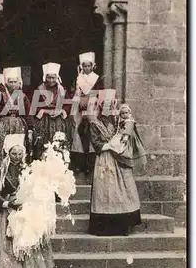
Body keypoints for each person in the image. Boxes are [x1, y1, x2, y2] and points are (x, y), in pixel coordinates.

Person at [0, 134, 54, 268]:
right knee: (9, 247)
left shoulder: (28, 169)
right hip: (8, 212)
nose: (17, 157)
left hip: (26, 211)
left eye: (20, 154)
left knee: (27, 245)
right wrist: (8, 203)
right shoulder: (2, 172)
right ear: (8, 154)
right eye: (14, 154)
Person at [87, 98, 146, 236]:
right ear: (100, 107)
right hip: (105, 158)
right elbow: (95, 142)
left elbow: (129, 129)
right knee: (105, 191)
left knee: (123, 190)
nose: (107, 109)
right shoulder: (95, 123)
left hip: (120, 158)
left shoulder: (118, 120)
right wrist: (111, 146)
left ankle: (123, 226)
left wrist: (122, 143)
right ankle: (104, 228)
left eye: (110, 105)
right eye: (104, 106)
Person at [0, 67, 34, 177]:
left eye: (15, 82)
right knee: (1, 152)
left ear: (19, 83)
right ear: (6, 83)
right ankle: (1, 181)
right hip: (3, 127)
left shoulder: (23, 97)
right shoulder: (0, 96)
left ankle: (17, 179)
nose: (13, 84)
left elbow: (28, 113)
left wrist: (29, 129)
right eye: (10, 82)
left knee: (17, 152)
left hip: (18, 126)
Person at [70, 52, 104, 175]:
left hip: (92, 107)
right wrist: (79, 101)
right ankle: (79, 164)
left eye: (89, 66)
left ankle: (90, 165)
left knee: (91, 133)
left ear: (92, 66)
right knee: (77, 134)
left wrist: (89, 101)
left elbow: (98, 92)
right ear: (81, 66)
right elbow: (75, 91)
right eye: (84, 66)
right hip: (79, 107)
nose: (87, 68)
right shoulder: (78, 78)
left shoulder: (97, 78)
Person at [33, 62, 73, 159]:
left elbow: (68, 105)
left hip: (59, 121)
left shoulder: (62, 90)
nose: (51, 80)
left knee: (59, 143)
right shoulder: (39, 90)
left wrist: (60, 111)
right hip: (44, 121)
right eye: (49, 78)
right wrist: (46, 111)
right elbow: (34, 106)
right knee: (44, 144)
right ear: (45, 78)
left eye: (53, 78)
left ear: (57, 78)